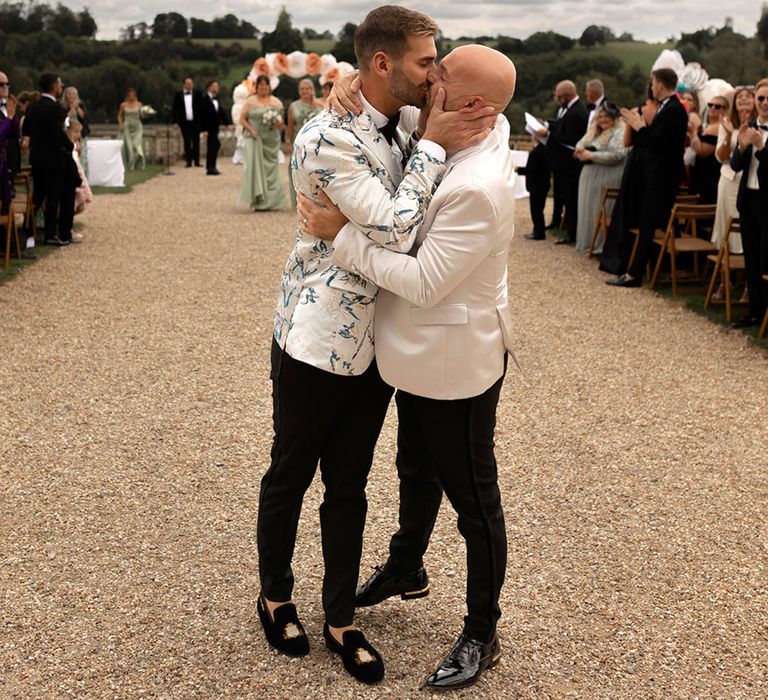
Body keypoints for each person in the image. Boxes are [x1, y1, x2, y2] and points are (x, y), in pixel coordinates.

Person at [257, 4, 494, 686]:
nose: (435, 75)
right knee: (290, 473)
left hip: (379, 344)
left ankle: (340, 619)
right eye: (427, 62)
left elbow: (487, 106)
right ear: (384, 63)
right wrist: (433, 149)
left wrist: (432, 131)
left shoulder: (409, 119)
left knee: (351, 485)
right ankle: (275, 596)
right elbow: (392, 229)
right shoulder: (327, 136)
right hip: (315, 337)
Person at [608, 68, 688, 286]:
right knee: (646, 221)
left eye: (653, 82)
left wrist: (639, 126)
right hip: (656, 174)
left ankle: (634, 274)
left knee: (647, 223)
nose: (651, 86)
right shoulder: (667, 107)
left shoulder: (674, 109)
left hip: (663, 177)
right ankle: (637, 271)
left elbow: (654, 141)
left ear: (660, 84)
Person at [22, 73, 77, 246]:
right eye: (60, 84)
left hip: (37, 158)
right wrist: (70, 145)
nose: (60, 87)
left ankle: (27, 234)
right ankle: (50, 234)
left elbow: (26, 131)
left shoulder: (32, 107)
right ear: (54, 87)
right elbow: (56, 133)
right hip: (54, 159)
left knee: (37, 197)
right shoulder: (56, 109)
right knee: (53, 197)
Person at [730, 78, 768, 328]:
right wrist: (743, 147)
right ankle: (755, 312)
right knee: (752, 258)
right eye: (761, 98)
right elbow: (735, 166)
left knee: (766, 258)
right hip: (749, 199)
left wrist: (761, 146)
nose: (765, 103)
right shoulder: (749, 125)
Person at [711, 86, 756, 289]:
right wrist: (729, 135)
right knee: (725, 230)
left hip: (750, 183)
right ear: (734, 103)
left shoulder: (759, 125)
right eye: (740, 97)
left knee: (749, 233)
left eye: (749, 96)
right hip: (728, 181)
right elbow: (721, 157)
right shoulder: (727, 124)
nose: (744, 99)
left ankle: (748, 283)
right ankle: (724, 280)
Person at [573, 102, 629, 253]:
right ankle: (587, 243)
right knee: (587, 210)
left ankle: (601, 245)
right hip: (589, 176)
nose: (603, 120)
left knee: (599, 209)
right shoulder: (594, 131)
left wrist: (591, 155)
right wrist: (579, 150)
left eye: (607, 116)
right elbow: (581, 142)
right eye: (600, 116)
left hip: (607, 176)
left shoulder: (619, 132)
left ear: (614, 118)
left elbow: (617, 155)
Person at [537, 80, 589, 244]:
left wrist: (547, 134)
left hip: (570, 165)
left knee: (571, 199)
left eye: (559, 96)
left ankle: (572, 233)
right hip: (563, 164)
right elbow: (560, 126)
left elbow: (569, 139)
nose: (557, 99)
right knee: (565, 197)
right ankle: (563, 225)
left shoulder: (577, 112)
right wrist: (546, 124)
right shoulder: (570, 109)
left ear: (567, 96)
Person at [237, 75, 286, 210]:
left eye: (266, 84)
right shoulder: (250, 101)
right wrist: (251, 131)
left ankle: (271, 201)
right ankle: (259, 200)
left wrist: (277, 123)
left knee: (271, 169)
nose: (263, 87)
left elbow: (281, 122)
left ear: (269, 87)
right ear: (256, 87)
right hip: (255, 139)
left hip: (271, 140)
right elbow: (242, 119)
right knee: (257, 168)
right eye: (261, 84)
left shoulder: (276, 102)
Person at [285, 78, 324, 206]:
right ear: (299, 91)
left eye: (307, 88)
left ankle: (318, 199)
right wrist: (288, 142)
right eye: (302, 89)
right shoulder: (293, 106)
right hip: (299, 143)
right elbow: (290, 126)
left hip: (317, 144)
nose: (305, 91)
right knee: (296, 170)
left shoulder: (320, 105)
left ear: (312, 90)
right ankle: (299, 200)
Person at [687, 94, 726, 204]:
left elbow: (702, 152)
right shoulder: (709, 125)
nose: (713, 108)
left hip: (708, 177)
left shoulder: (718, 127)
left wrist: (693, 133)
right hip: (701, 175)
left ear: (725, 110)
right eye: (710, 105)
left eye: (717, 106)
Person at [519, 134, 550, 240]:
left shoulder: (536, 152)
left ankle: (539, 232)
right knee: (539, 209)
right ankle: (538, 230)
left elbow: (532, 170)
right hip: (543, 185)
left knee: (536, 210)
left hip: (537, 186)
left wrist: (518, 169)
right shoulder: (545, 149)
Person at [199, 80, 230, 176]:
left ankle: (212, 167)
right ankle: (210, 167)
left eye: (217, 86)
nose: (217, 88)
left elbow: (221, 112)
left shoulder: (217, 99)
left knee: (214, 146)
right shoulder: (204, 100)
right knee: (213, 146)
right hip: (208, 128)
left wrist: (227, 123)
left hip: (215, 127)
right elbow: (201, 115)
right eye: (215, 86)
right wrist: (203, 129)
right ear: (210, 87)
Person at [172, 78, 202, 167]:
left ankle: (197, 161)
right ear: (184, 84)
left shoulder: (198, 94)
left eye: (191, 83)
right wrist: (175, 121)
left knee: (196, 141)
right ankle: (188, 161)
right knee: (187, 141)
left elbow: (201, 108)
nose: (189, 85)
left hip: (195, 122)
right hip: (184, 122)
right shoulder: (178, 95)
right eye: (188, 83)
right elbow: (175, 109)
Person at [61, 86, 90, 177]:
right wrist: (72, 108)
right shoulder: (62, 106)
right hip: (69, 134)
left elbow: (84, 117)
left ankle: (84, 177)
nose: (71, 96)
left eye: (73, 94)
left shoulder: (81, 105)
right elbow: (65, 118)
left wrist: (77, 107)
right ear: (65, 96)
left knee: (83, 156)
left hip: (81, 133)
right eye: (69, 94)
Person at [118, 88, 145, 171]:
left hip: (137, 127)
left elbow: (142, 116)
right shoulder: (123, 105)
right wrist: (120, 125)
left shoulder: (139, 104)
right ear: (127, 96)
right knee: (129, 148)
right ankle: (130, 166)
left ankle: (139, 164)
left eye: (133, 95)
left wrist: (145, 113)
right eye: (130, 95)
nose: (131, 97)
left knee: (137, 146)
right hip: (127, 127)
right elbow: (119, 115)